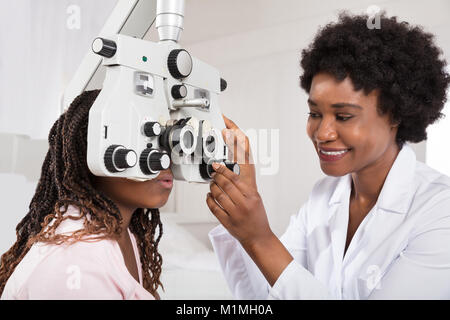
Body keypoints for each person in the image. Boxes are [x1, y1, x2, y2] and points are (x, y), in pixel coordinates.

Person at [206, 12, 450, 299]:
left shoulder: (438, 211)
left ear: (395, 115)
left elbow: (271, 257)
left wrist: (261, 238)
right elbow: (264, 297)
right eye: (314, 114)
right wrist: (242, 214)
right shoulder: (322, 198)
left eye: (344, 116)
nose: (322, 133)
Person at [0, 90, 174, 299]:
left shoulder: (123, 232)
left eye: (164, 142)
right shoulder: (77, 257)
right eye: (145, 144)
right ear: (91, 156)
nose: (164, 159)